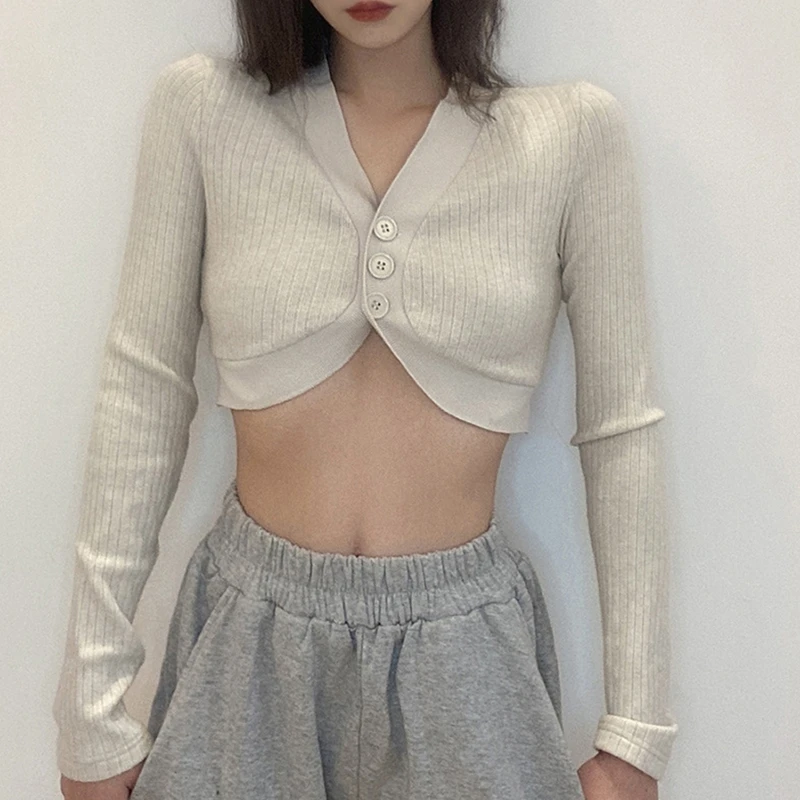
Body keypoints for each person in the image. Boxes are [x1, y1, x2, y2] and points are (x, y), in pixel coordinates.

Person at [53, 1, 679, 798]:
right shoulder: (205, 111)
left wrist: (636, 735)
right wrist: (90, 713)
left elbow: (623, 432)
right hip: (245, 656)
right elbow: (142, 393)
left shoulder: (572, 137)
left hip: (469, 662)